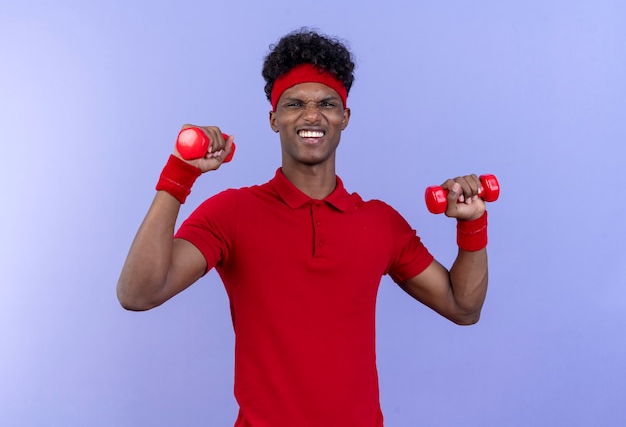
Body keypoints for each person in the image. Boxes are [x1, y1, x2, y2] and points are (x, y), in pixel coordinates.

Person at [117, 28, 490, 427]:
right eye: (295, 103)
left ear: (344, 117)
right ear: (274, 118)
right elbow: (138, 293)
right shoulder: (233, 213)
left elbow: (463, 307)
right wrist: (179, 174)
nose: (312, 115)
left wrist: (473, 225)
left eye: (326, 103)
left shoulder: (380, 222)